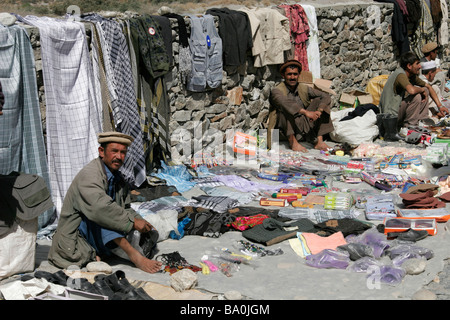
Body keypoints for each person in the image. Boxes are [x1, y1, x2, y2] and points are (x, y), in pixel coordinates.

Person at [48, 132, 162, 274]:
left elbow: (125, 208)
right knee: (105, 216)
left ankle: (111, 249)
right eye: (114, 151)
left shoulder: (117, 177)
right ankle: (135, 257)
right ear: (102, 152)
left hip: (93, 234)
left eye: (123, 153)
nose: (119, 157)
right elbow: (100, 209)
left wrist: (143, 223)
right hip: (73, 244)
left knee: (134, 225)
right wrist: (132, 222)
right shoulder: (89, 175)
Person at [269, 59, 333, 152]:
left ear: (299, 75)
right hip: (287, 128)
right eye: (289, 74)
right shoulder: (277, 90)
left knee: (320, 101)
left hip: (304, 124)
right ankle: (293, 143)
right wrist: (306, 112)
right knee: (284, 108)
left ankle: (319, 141)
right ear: (283, 75)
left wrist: (319, 110)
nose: (292, 77)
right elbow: (283, 102)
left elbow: (326, 96)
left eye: (295, 74)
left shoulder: (303, 88)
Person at [379, 51, 448, 133]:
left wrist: (440, 106)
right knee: (417, 96)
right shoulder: (401, 75)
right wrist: (421, 90)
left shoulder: (411, 76)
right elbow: (411, 91)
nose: (420, 66)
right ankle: (410, 125)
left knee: (425, 89)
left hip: (398, 110)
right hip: (390, 115)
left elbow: (428, 86)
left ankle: (423, 119)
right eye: (417, 64)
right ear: (409, 66)